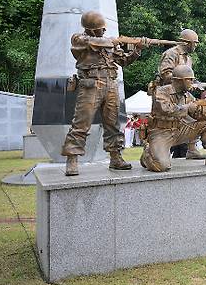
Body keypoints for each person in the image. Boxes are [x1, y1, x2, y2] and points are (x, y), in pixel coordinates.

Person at [61, 11, 146, 176]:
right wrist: (113, 41)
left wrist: (136, 50)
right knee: (81, 124)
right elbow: (90, 42)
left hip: (111, 86)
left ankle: (115, 157)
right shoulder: (79, 39)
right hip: (90, 85)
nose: (104, 31)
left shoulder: (109, 45)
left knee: (113, 125)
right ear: (92, 30)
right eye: (101, 29)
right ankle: (72, 158)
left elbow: (123, 61)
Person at [140, 65, 206, 172]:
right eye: (189, 80)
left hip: (179, 130)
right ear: (179, 81)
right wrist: (187, 107)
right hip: (161, 132)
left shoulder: (187, 96)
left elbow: (201, 115)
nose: (192, 82)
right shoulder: (161, 91)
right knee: (161, 166)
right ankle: (147, 154)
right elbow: (166, 109)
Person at [155, 29, 205, 160]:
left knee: (194, 117)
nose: (196, 46)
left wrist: (193, 84)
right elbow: (166, 75)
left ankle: (191, 150)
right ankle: (155, 152)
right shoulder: (171, 54)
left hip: (183, 96)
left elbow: (188, 77)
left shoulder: (189, 59)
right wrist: (185, 82)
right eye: (196, 43)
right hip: (168, 96)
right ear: (188, 43)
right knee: (167, 128)